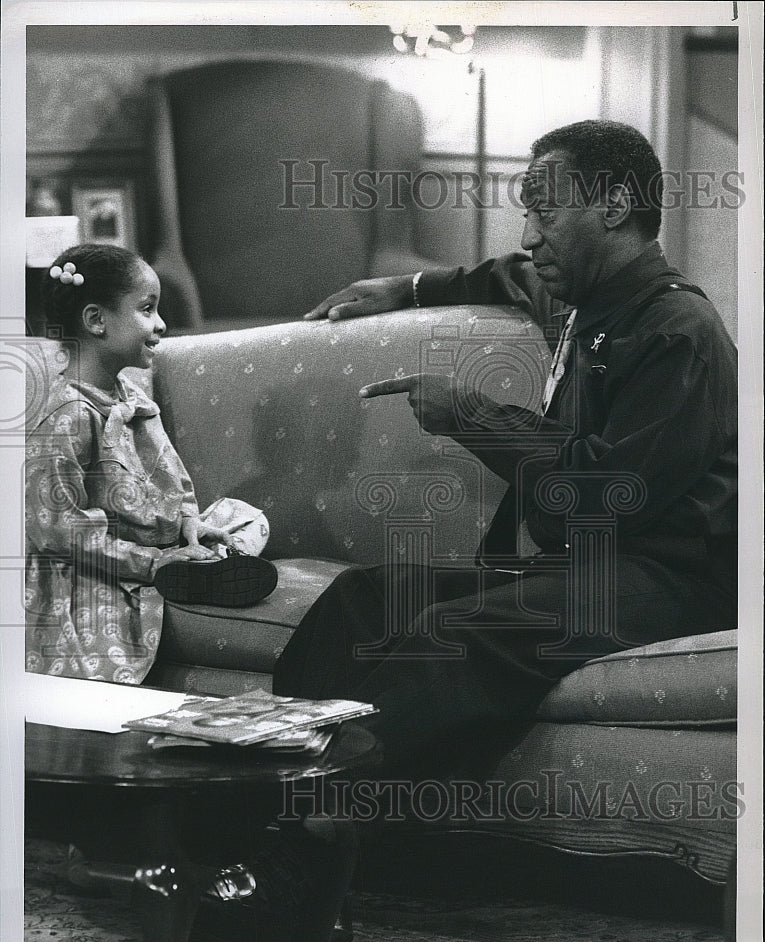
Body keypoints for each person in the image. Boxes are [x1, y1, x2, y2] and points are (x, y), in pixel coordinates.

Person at [271, 119, 738, 779]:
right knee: (363, 601)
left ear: (612, 206)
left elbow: (603, 499)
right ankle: (259, 778)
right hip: (590, 570)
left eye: (544, 213)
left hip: (672, 578)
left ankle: (315, 817)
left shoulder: (676, 333)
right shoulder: (585, 297)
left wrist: (471, 415)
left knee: (455, 635)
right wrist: (407, 289)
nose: (528, 235)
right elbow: (513, 274)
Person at [25, 243, 277, 685]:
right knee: (93, 598)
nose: (161, 323)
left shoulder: (136, 401)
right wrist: (147, 561)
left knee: (245, 516)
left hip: (157, 535)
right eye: (147, 309)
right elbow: (56, 531)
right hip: (95, 558)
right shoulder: (68, 415)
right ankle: (178, 570)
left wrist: (189, 523)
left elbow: (172, 479)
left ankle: (197, 559)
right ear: (96, 320)